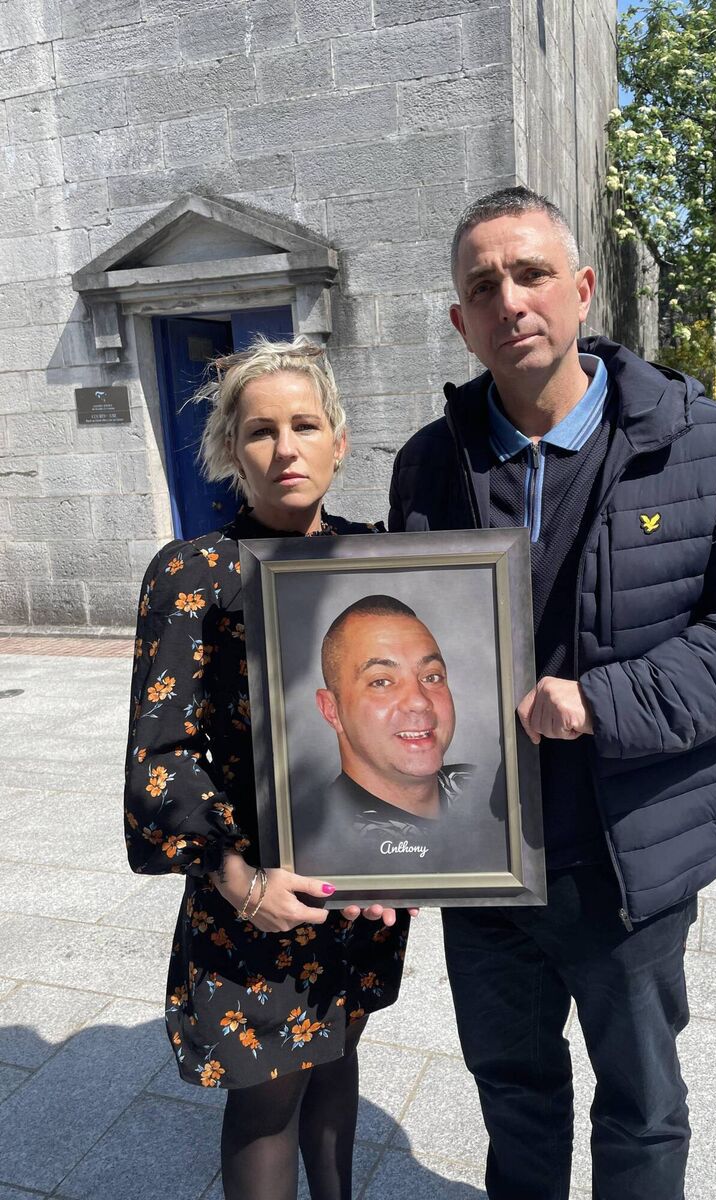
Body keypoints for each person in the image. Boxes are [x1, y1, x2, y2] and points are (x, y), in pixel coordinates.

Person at [388, 186, 716, 1200]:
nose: (511, 299)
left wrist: (604, 702)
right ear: (461, 320)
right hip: (484, 861)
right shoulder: (429, 464)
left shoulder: (712, 447)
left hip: (627, 858)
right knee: (511, 1088)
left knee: (639, 1103)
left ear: (582, 289)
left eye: (533, 273)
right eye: (483, 285)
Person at [123, 337, 410, 1200]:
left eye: (305, 425)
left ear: (339, 441)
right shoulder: (193, 574)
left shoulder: (384, 560)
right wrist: (239, 880)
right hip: (253, 893)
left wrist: (430, 843)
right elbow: (160, 761)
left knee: (336, 1058)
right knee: (266, 1103)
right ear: (229, 450)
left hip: (360, 885)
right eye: (259, 432)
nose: (286, 449)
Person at [313, 594, 475, 873]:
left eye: (431, 677)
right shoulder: (317, 840)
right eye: (381, 682)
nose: (419, 701)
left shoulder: (487, 793)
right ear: (332, 711)